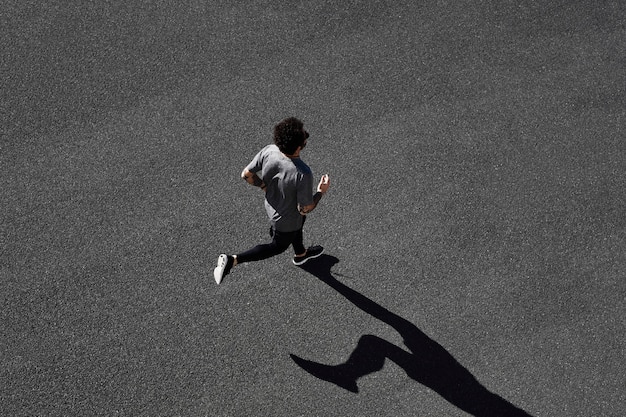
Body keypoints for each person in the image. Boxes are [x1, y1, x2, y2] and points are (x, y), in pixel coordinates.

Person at [213, 117, 331, 284]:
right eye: (304, 137)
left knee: (298, 223)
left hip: (272, 205)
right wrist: (321, 191)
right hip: (285, 219)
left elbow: (246, 175)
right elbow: (305, 208)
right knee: (277, 247)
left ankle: (301, 254)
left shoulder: (270, 150)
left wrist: (263, 186)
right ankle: (232, 260)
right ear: (298, 148)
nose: (307, 136)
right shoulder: (302, 173)